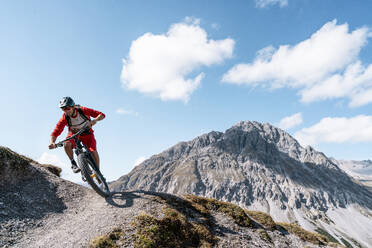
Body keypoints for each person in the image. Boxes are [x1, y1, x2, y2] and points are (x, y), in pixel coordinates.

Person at [48, 97, 105, 174]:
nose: (66, 111)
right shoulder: (65, 118)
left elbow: (101, 115)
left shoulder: (83, 110)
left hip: (87, 133)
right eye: (63, 109)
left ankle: (97, 171)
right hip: (74, 134)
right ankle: (73, 163)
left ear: (73, 106)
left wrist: (94, 120)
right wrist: (52, 142)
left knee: (93, 151)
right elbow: (56, 132)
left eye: (67, 108)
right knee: (66, 144)